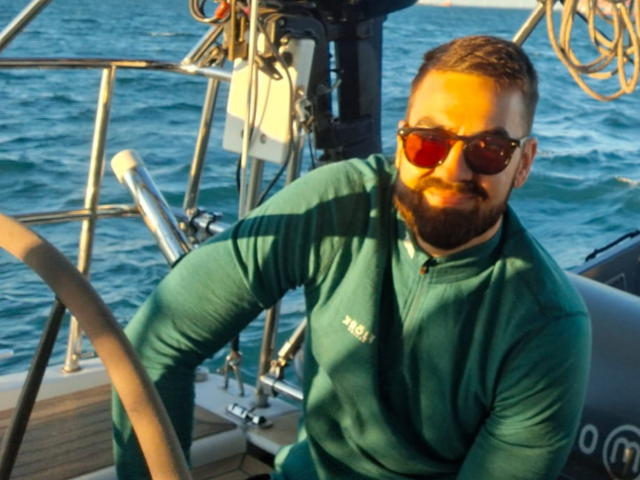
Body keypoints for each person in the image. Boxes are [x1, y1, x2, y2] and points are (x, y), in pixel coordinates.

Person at [113, 35, 591, 480]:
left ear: (524, 163)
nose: (452, 169)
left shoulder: (546, 325)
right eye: (429, 141)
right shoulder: (339, 203)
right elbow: (157, 342)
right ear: (401, 143)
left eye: (488, 150)